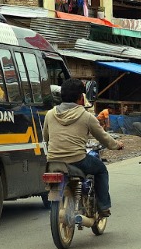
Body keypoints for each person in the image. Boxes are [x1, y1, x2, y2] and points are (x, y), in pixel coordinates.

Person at [43, 78, 124, 218]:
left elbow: (46, 138)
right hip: (76, 159)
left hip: (53, 161)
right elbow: (103, 137)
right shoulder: (86, 116)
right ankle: (104, 206)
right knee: (101, 170)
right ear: (81, 98)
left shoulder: (50, 114)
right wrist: (117, 145)